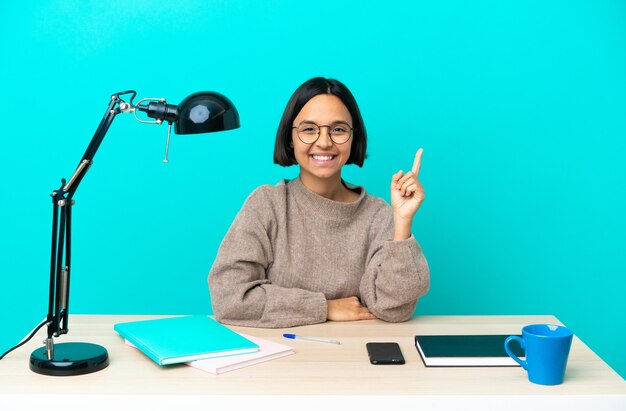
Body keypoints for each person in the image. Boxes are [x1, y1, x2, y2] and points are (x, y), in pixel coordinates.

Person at [208, 77, 429, 328]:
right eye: (309, 129)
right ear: (290, 138)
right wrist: (325, 307)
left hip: (352, 357)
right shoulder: (267, 204)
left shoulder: (377, 214)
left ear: (353, 138)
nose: (324, 142)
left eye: (338, 130)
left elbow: (393, 308)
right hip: (276, 359)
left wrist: (402, 223)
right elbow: (229, 297)